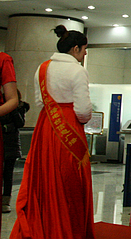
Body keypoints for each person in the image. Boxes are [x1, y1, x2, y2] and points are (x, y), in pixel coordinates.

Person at [11, 25, 93, 238]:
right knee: (70, 180)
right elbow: (83, 111)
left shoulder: (42, 68)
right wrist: (80, 120)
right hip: (70, 126)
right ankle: (68, 227)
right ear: (75, 48)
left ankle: (46, 224)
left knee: (45, 178)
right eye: (84, 49)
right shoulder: (78, 70)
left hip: (46, 126)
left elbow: (40, 102)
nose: (85, 54)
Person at [1, 90, 29, 213]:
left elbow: (19, 123)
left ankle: (5, 201)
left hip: (11, 145)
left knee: (8, 174)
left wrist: (13, 109)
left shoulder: (20, 108)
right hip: (3, 141)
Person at [0, 53, 19, 227]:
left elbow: (13, 100)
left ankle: (5, 200)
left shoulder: (3, 60)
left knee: (7, 172)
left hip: (7, 139)